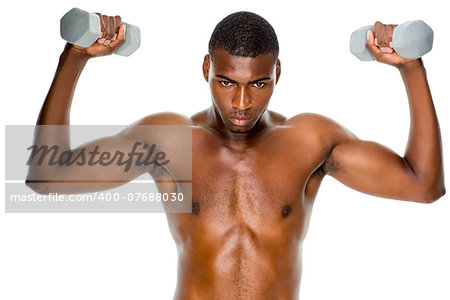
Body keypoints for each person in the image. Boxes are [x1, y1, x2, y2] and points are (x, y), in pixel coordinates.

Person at [26, 11, 445, 299]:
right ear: (206, 69)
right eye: (226, 82)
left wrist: (411, 69)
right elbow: (46, 177)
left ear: (277, 74)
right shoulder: (169, 140)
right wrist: (75, 56)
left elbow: (424, 186)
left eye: (258, 84)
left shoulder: (309, 140)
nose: (241, 103)